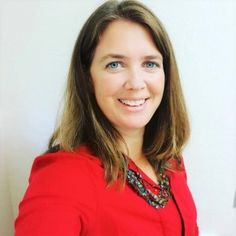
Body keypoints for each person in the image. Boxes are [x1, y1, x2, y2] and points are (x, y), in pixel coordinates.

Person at [15, 0, 198, 235]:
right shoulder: (62, 176)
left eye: (150, 63)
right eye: (115, 64)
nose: (135, 83)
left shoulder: (171, 161)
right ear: (87, 78)